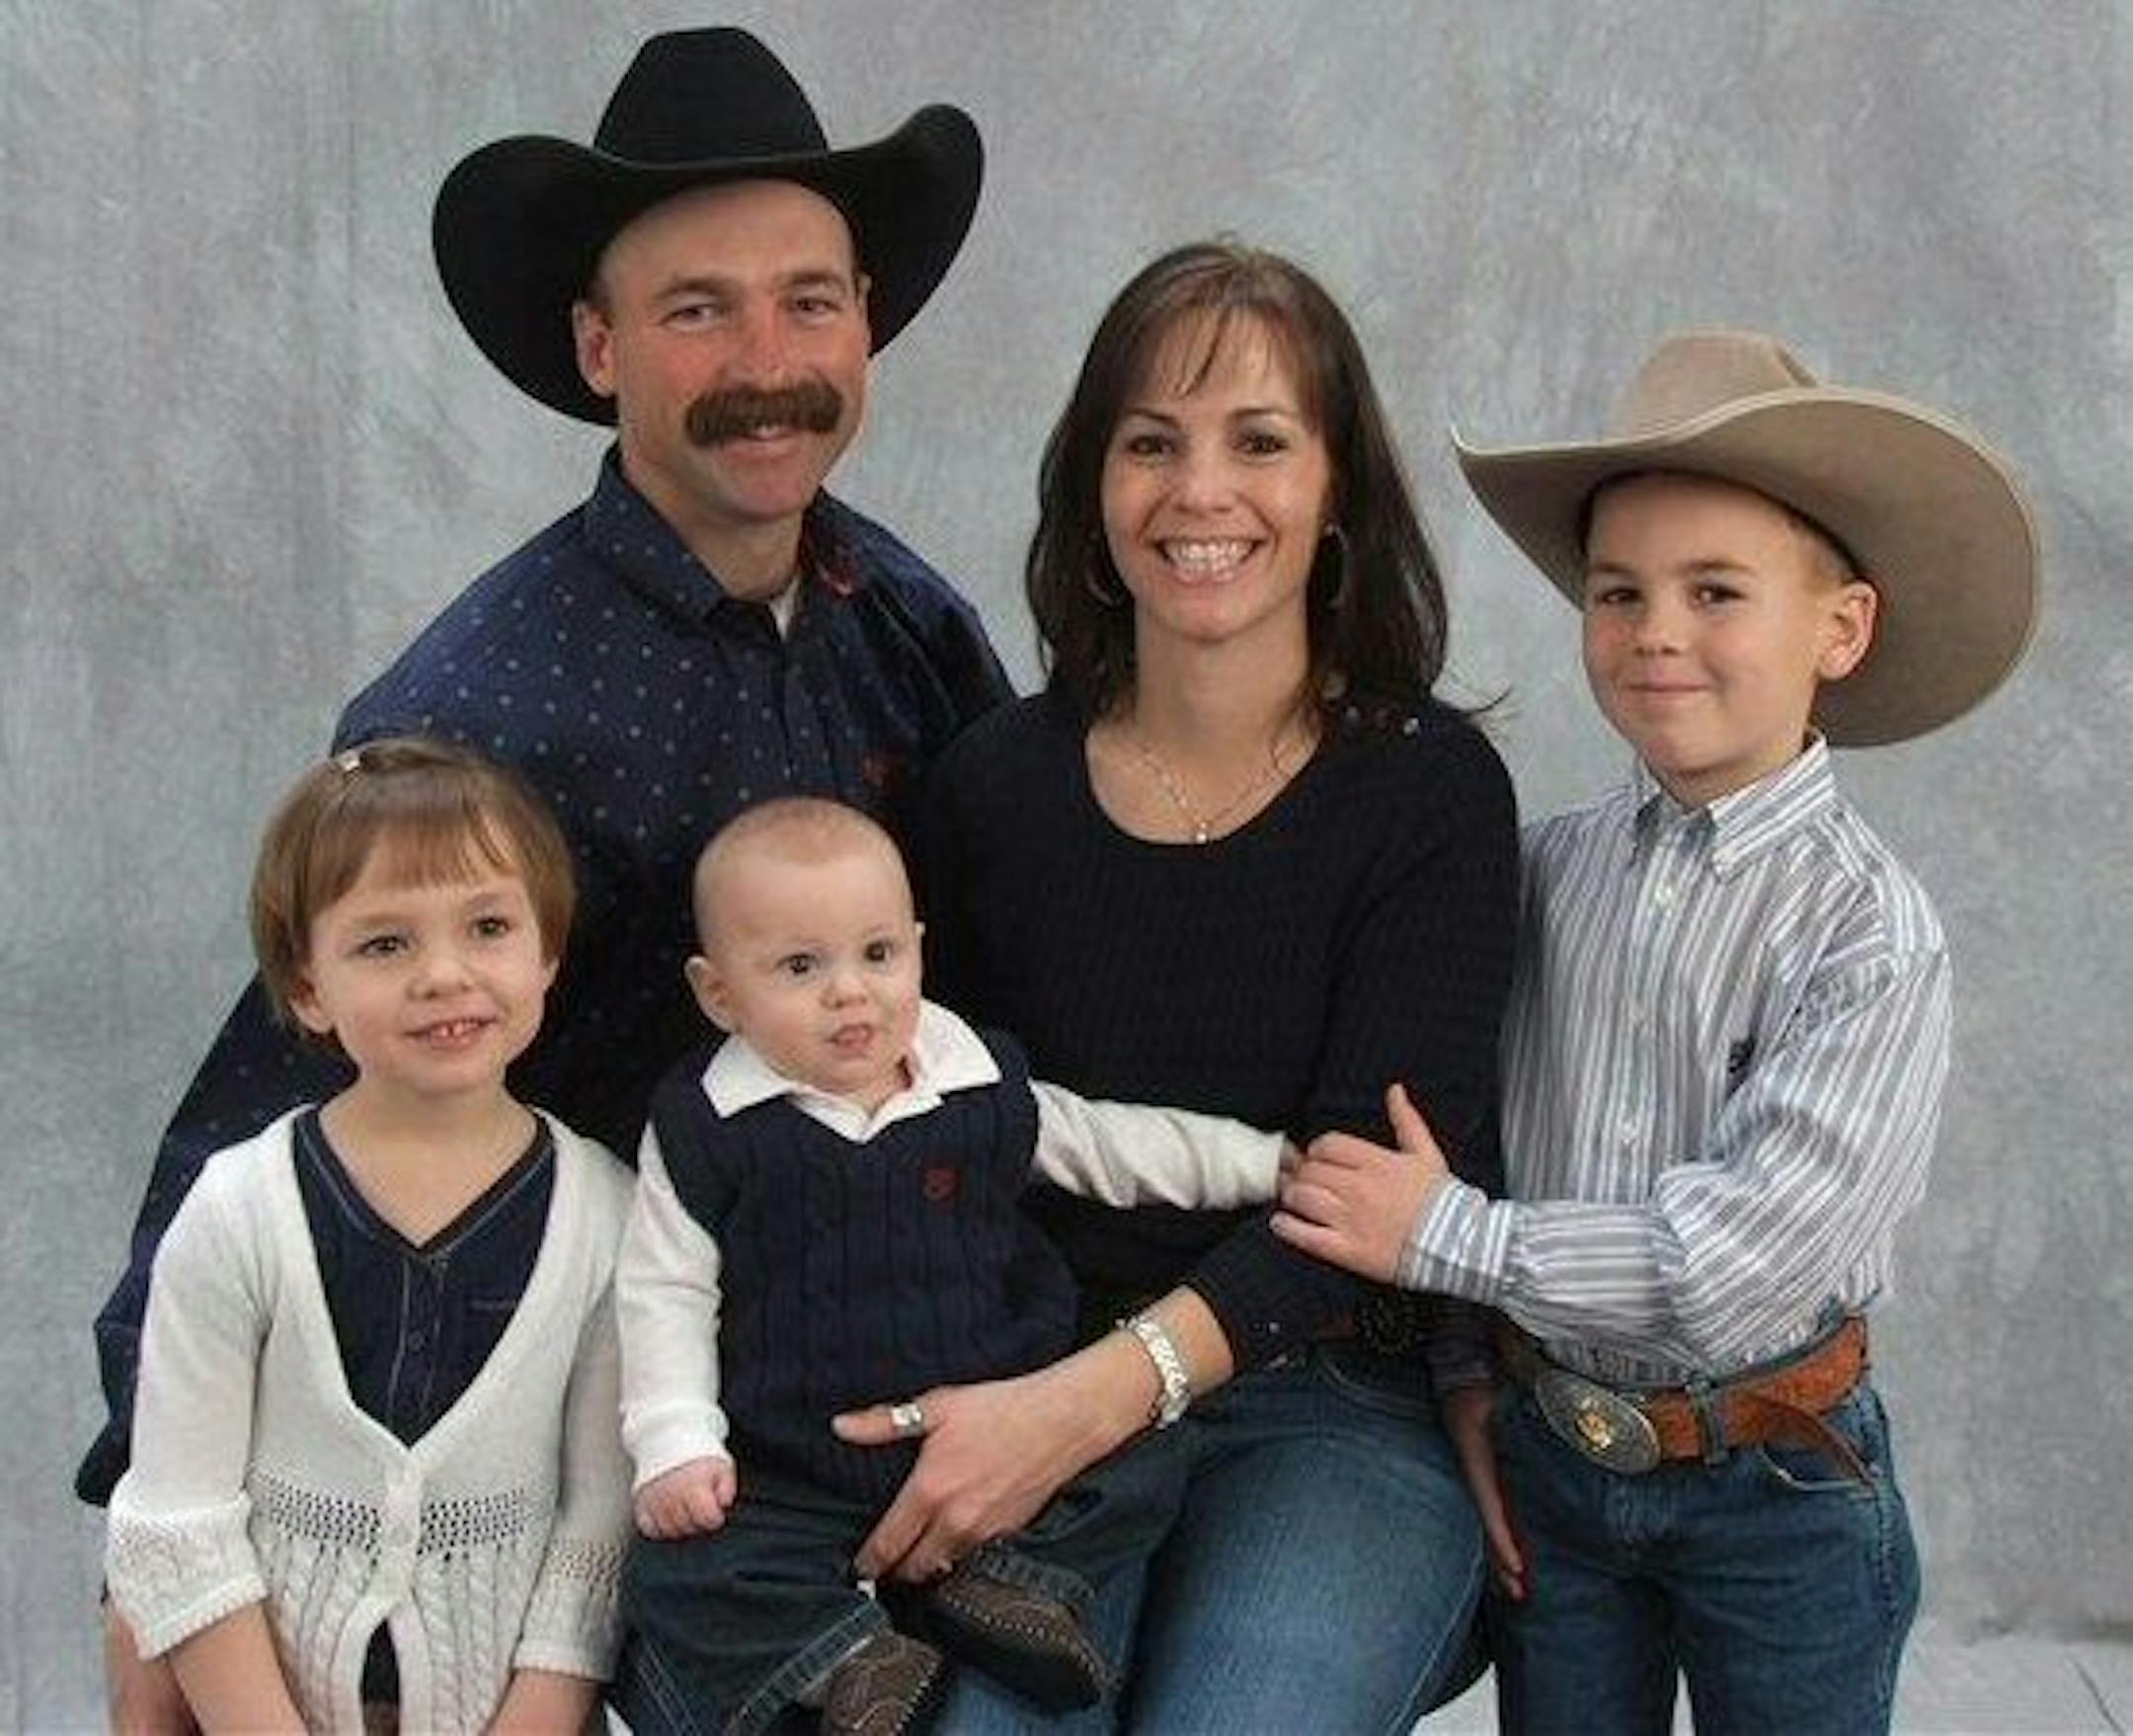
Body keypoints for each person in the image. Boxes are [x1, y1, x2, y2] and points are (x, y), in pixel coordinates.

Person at [87, 28, 1010, 1721]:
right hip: (581, 1469)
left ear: (867, 320)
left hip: (894, 1412)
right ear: (599, 346)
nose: (768, 358)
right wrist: (152, 1552)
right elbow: (270, 1128)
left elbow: (985, 1006)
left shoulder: (917, 631)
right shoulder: (475, 708)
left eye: (810, 300)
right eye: (696, 309)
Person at [1272, 329, 2039, 1733]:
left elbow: (1728, 1268)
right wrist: (1464, 1360)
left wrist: (1448, 1237)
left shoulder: (1871, 934)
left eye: (1716, 590)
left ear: (1841, 628)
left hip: (1781, 1482)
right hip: (1557, 1457)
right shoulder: (1548, 869)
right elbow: (1467, 1124)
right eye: (1618, 591)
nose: (1655, 631)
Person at [864, 242, 1521, 1731]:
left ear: (1338, 489)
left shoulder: (1427, 796)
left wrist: (1087, 1399)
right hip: (1029, 1383)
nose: (1199, 492)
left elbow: (1368, 1208)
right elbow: (926, 1123)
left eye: (1261, 441)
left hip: (1329, 1404)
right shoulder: (991, 790)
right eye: (1151, 441)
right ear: (1094, 490)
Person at [616, 797, 1296, 1734]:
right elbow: (663, 1290)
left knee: (1149, 1439)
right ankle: (855, 1660)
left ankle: (1013, 1584)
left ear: (919, 950)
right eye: (800, 967)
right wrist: (677, 1442)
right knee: (677, 1565)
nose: (850, 992)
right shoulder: (706, 1126)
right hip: (795, 1462)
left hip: (1005, 1434)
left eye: (878, 955)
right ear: (719, 992)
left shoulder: (971, 1080)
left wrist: (1258, 1163)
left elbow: (1113, 1149)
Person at [104, 738, 635, 1733]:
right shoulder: (238, 1210)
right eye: (385, 944)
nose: (445, 974)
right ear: (309, 986)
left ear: (547, 952)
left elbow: (594, 1537)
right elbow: (180, 1521)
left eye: (487, 927)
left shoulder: (606, 1214)